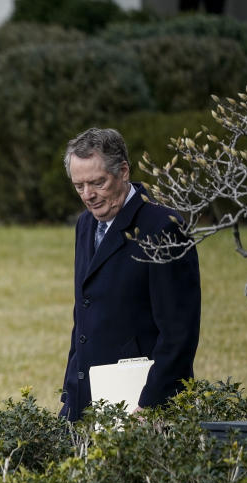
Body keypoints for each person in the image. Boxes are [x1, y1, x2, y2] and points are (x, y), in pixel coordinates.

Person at [59, 127, 201, 421]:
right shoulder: (85, 224)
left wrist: (152, 403)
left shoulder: (164, 227)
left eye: (97, 182)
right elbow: (83, 315)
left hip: (141, 403)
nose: (88, 195)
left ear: (123, 171)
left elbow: (179, 332)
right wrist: (71, 396)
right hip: (88, 399)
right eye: (79, 186)